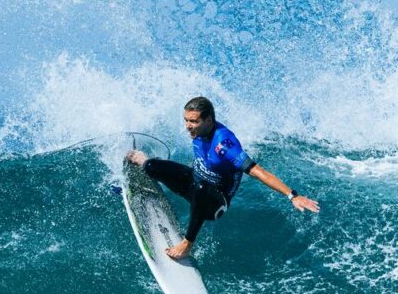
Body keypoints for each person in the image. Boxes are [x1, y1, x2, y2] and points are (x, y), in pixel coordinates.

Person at [127, 96, 320, 260]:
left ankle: (187, 244)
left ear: (208, 120)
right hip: (194, 182)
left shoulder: (224, 146)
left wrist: (292, 195)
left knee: (202, 189)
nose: (188, 126)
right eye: (186, 120)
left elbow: (258, 171)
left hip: (214, 202)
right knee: (150, 166)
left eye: (193, 121)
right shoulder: (198, 133)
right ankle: (143, 161)